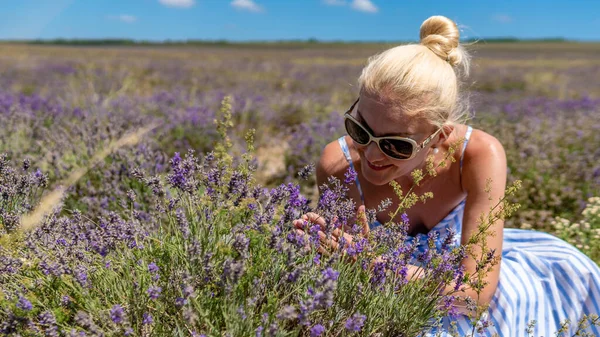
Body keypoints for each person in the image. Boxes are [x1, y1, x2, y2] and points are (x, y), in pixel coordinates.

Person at [293, 15, 600, 336]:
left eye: (396, 145)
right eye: (360, 129)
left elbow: (475, 295)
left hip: (469, 282)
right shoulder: (339, 164)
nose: (370, 154)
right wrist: (328, 251)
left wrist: (368, 261)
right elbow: (353, 282)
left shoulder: (480, 154)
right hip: (395, 288)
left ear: (440, 135)